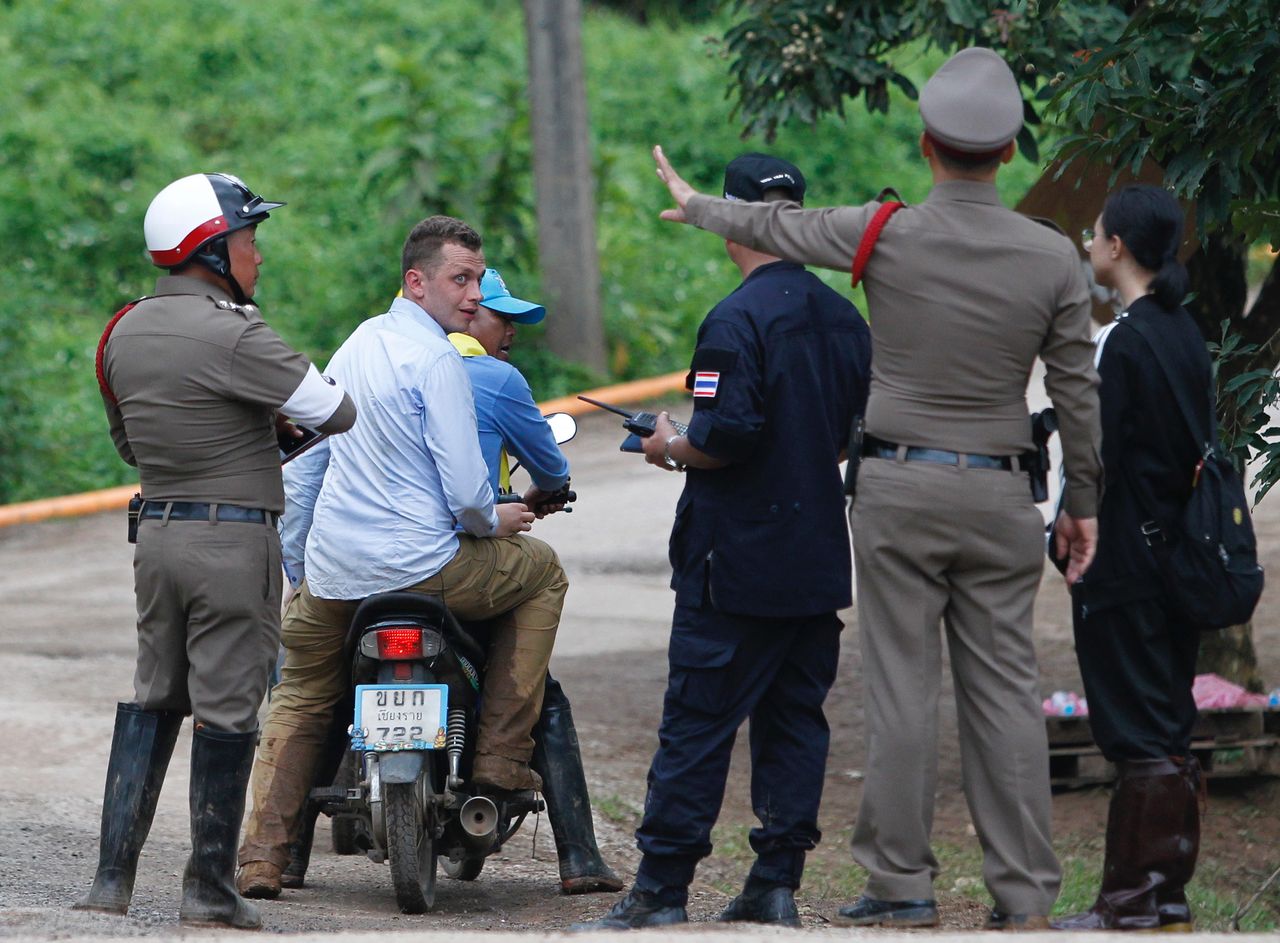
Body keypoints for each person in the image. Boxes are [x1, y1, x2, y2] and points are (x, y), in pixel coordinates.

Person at [650, 46, 1103, 930]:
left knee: (902, 688)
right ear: (1010, 152)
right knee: (1008, 693)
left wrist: (701, 206)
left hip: (899, 490)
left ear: (927, 144)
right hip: (1005, 494)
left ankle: (901, 885)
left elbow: (783, 229)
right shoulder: (1052, 257)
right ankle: (1021, 898)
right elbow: (1077, 390)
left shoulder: (881, 233)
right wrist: (1081, 502)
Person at [575, 154, 871, 931]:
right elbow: (846, 435)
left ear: (735, 218)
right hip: (813, 561)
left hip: (733, 563)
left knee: (698, 722)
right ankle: (776, 883)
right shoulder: (846, 319)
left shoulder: (734, 319)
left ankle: (661, 889)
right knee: (796, 720)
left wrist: (671, 443)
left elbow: (727, 436)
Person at [236, 216, 567, 899]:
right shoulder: (442, 359)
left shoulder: (355, 345)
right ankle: (502, 761)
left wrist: (301, 569)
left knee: (298, 694)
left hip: (337, 575)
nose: (473, 295)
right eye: (461, 279)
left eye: (477, 279)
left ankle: (262, 857)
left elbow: (303, 472)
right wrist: (500, 518)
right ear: (417, 282)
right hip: (430, 570)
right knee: (543, 572)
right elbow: (469, 499)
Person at [77, 172, 357, 930]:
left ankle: (112, 879)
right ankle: (207, 886)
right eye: (249, 241)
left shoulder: (121, 332)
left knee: (153, 694)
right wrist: (266, 427)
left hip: (158, 534)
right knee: (230, 708)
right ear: (212, 250)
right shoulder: (237, 332)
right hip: (232, 539)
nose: (257, 258)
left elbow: (132, 443)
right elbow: (336, 407)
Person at [1052, 186, 1208, 932]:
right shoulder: (1184, 331)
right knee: (1167, 721)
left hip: (1125, 559)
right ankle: (1166, 894)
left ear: (1117, 248)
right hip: (1178, 556)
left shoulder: (1125, 338)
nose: (1089, 242)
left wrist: (1066, 523)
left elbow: (1096, 456)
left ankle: (1130, 900)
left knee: (1135, 730)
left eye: (1095, 233)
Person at [446, 267, 622, 894]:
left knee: (313, 688)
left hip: (370, 563)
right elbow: (550, 464)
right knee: (541, 683)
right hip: (465, 556)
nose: (512, 330)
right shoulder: (493, 378)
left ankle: (279, 855)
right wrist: (537, 495)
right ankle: (577, 857)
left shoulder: (382, 367)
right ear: (467, 312)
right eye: (503, 316)